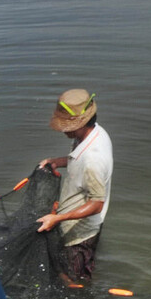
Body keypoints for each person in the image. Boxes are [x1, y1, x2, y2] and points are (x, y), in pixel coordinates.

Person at [35, 88, 113, 284]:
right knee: (64, 273)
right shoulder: (94, 134)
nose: (63, 130)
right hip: (70, 224)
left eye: (66, 126)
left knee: (74, 283)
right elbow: (78, 161)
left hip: (80, 236)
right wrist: (57, 161)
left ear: (82, 123)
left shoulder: (93, 159)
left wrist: (58, 218)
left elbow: (97, 204)